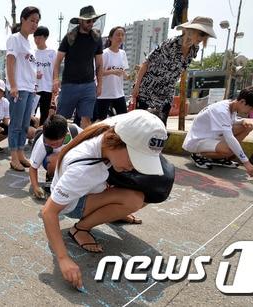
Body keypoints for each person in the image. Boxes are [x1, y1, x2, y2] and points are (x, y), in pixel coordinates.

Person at [41, 110, 167, 289]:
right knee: (134, 200)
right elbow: (49, 212)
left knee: (154, 189)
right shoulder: (83, 170)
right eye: (135, 158)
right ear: (118, 143)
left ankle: (111, 210)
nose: (134, 166)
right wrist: (63, 258)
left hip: (92, 183)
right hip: (74, 202)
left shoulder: (114, 128)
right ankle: (80, 228)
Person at [131, 16, 216, 125]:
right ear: (191, 31)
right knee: (140, 124)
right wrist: (137, 86)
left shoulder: (194, 49)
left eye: (206, 35)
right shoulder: (171, 44)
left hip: (167, 92)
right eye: (201, 33)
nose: (202, 38)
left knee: (161, 127)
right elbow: (146, 63)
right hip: (148, 89)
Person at [182, 86, 253, 177]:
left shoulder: (231, 105)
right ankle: (198, 155)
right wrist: (246, 163)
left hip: (212, 136)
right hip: (197, 141)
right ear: (242, 101)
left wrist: (242, 121)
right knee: (229, 149)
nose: (251, 112)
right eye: (251, 108)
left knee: (247, 127)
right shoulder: (221, 110)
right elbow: (230, 138)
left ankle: (217, 158)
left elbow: (230, 121)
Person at [53, 6, 103, 129]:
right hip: (69, 84)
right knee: (61, 120)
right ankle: (57, 147)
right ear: (80, 21)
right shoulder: (69, 37)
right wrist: (55, 79)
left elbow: (99, 64)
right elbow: (58, 60)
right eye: (88, 21)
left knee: (86, 120)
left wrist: (100, 84)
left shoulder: (97, 38)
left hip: (89, 85)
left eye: (93, 20)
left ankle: (83, 146)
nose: (91, 23)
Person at [6, 6, 40, 171]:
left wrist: (34, 84)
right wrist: (13, 85)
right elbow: (10, 62)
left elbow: (29, 68)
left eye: (37, 21)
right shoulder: (15, 38)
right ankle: (13, 157)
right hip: (18, 88)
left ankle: (20, 153)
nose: (34, 24)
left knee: (25, 124)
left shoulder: (29, 43)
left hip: (29, 89)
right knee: (16, 124)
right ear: (23, 20)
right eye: (32, 20)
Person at [29, 114, 81, 199]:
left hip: (72, 160)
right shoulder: (42, 142)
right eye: (48, 143)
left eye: (55, 144)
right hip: (52, 160)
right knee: (56, 159)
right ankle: (51, 178)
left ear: (65, 135)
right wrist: (36, 187)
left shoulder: (76, 132)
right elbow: (33, 167)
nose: (51, 146)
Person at [95, 26, 129, 121]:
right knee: (100, 120)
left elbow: (123, 72)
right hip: (104, 93)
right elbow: (98, 72)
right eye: (118, 35)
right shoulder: (105, 53)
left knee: (123, 120)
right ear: (110, 38)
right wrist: (113, 72)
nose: (120, 37)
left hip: (119, 93)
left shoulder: (123, 53)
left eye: (122, 35)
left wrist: (129, 76)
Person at [34, 26, 56, 126]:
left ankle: (41, 136)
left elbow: (55, 70)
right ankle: (31, 136)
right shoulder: (32, 53)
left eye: (39, 37)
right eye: (35, 37)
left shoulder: (52, 53)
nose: (37, 40)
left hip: (47, 88)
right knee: (31, 113)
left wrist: (55, 85)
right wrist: (35, 75)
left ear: (45, 37)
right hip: (34, 88)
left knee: (45, 114)